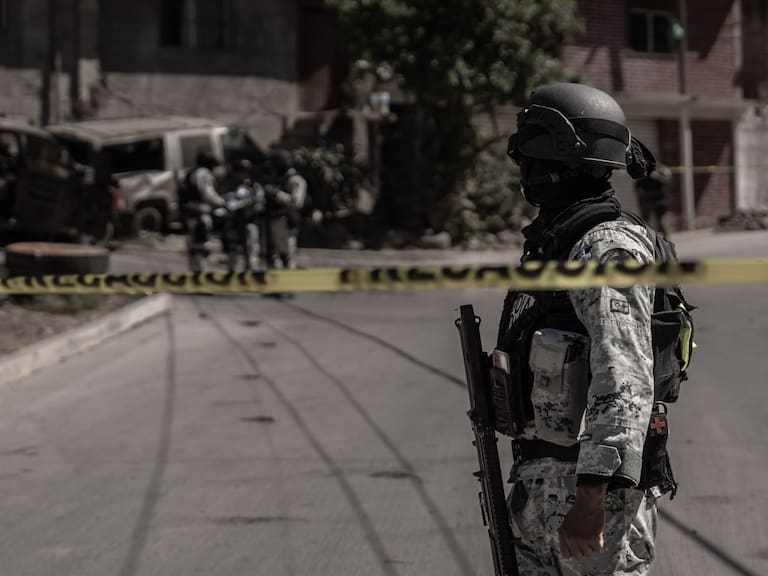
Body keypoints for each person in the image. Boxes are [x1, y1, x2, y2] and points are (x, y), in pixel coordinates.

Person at [501, 82, 659, 575]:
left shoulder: (606, 248)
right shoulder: (559, 241)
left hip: (588, 500)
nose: (525, 171)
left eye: (532, 157)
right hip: (545, 484)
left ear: (561, 161)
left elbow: (625, 374)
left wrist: (591, 498)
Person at [180, 151, 226, 272]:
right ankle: (201, 277)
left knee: (193, 247)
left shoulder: (190, 172)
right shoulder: (204, 173)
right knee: (203, 247)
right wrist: (222, 202)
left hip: (189, 214)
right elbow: (207, 194)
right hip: (200, 214)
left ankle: (195, 275)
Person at [262, 150, 307, 269]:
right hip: (271, 221)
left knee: (287, 256)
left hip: (285, 222)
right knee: (272, 257)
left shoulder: (295, 180)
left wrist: (276, 194)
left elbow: (296, 202)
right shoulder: (275, 179)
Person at [634, 164, 671, 236]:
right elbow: (638, 188)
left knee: (662, 222)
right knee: (644, 221)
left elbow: (668, 182)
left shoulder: (661, 170)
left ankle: (665, 239)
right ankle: (644, 237)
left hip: (659, 200)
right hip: (647, 200)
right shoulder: (643, 173)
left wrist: (657, 177)